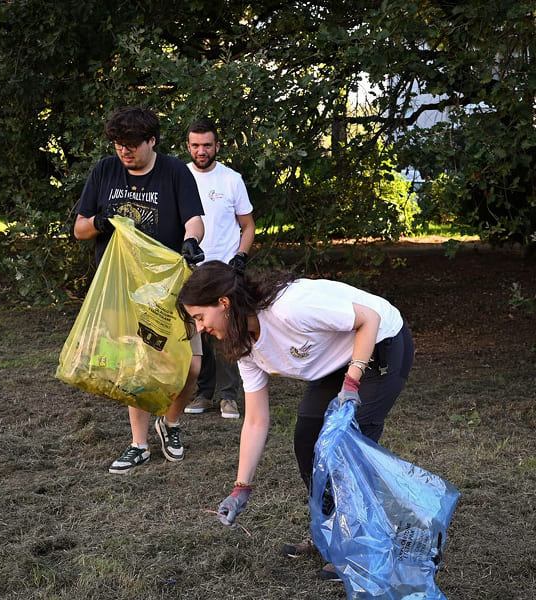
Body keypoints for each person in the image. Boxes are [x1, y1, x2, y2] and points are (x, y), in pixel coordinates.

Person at [176, 261, 414, 580]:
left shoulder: (291, 307)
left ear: (223, 302)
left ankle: (361, 549)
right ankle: (328, 533)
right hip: (335, 362)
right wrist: (240, 489)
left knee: (346, 448)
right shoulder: (244, 346)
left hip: (381, 344)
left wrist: (352, 383)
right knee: (306, 440)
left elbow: (369, 319)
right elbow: (256, 421)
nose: (201, 327)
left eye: (200, 317)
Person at [74, 106, 206, 474]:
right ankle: (139, 444)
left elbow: (194, 220)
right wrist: (100, 221)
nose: (124, 151)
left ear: (152, 140)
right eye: (118, 144)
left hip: (169, 286)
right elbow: (80, 229)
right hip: (123, 287)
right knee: (138, 365)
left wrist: (191, 242)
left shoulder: (175, 171)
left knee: (192, 367)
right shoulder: (104, 171)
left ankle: (172, 423)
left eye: (132, 144)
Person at [183, 119, 255, 419]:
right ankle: (203, 393)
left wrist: (241, 256)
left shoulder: (231, 179)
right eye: (196, 145)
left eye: (207, 145)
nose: (201, 151)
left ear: (217, 146)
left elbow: (248, 225)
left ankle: (228, 396)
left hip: (224, 270)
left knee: (225, 333)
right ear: (188, 146)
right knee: (197, 334)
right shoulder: (179, 177)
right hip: (190, 269)